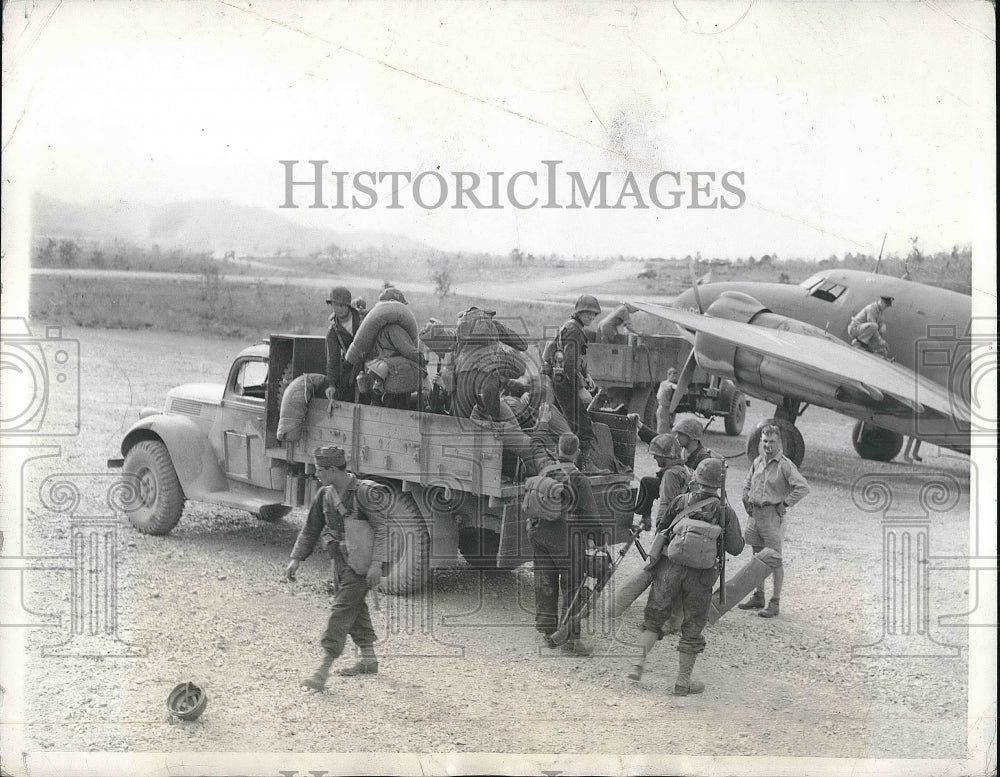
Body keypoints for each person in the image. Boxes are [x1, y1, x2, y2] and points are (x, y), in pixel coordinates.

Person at [627, 458, 744, 690]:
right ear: (720, 484)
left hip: (670, 568)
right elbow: (736, 548)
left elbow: (663, 527)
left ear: (696, 479)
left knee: (654, 618)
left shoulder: (681, 501)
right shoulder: (725, 512)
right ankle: (682, 681)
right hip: (701, 576)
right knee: (692, 626)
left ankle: (637, 666)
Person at [285, 446, 387, 689]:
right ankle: (369, 659)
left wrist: (376, 565)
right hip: (340, 560)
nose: (316, 473)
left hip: (362, 563)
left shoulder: (364, 493)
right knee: (354, 606)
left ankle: (322, 670)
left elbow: (383, 529)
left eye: (320, 469)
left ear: (332, 469)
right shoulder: (324, 495)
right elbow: (311, 529)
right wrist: (296, 559)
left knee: (341, 610)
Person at [528, 433, 598, 657]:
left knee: (545, 579)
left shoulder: (546, 470)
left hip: (539, 532)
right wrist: (598, 541)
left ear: (558, 449)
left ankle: (547, 628)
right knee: (573, 586)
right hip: (566, 538)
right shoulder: (578, 478)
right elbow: (591, 516)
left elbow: (536, 446)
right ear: (576, 452)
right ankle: (571, 640)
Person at [737, 424, 810, 618]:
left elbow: (802, 487)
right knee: (757, 556)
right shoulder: (758, 461)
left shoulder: (785, 465)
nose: (768, 445)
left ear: (779, 443)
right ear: (761, 442)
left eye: (771, 442)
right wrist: (746, 497)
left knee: (775, 559)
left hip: (772, 515)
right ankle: (758, 595)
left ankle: (775, 601)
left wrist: (785, 504)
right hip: (755, 514)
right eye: (764, 441)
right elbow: (747, 482)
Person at [545, 295, 601, 470]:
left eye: (594, 314)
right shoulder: (575, 330)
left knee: (571, 424)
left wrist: (586, 374)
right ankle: (586, 466)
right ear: (579, 312)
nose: (591, 317)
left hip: (561, 379)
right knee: (583, 426)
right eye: (587, 313)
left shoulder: (573, 326)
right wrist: (580, 389)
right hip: (565, 382)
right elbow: (569, 364)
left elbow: (575, 358)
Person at [452, 305, 529, 419]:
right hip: (488, 378)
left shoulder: (460, 329)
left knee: (461, 426)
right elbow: (522, 345)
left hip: (463, 378)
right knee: (490, 428)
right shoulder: (492, 324)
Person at [631, 432, 689, 532]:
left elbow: (667, 503)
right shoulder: (680, 468)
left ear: (666, 456)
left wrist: (661, 527)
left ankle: (647, 519)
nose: (654, 458)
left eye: (657, 455)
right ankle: (646, 517)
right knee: (647, 482)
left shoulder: (670, 475)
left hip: (671, 522)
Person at [324, 286, 362, 401]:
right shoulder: (333, 331)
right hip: (350, 367)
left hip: (368, 363)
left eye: (341, 305)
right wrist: (331, 385)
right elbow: (333, 359)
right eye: (335, 305)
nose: (338, 309)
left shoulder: (361, 319)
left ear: (348, 305)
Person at [847, 295, 894, 360]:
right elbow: (873, 326)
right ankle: (857, 343)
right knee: (874, 326)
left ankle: (869, 346)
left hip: (861, 330)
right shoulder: (872, 308)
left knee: (880, 328)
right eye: (886, 305)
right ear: (881, 302)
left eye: (887, 306)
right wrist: (881, 341)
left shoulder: (880, 311)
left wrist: (883, 326)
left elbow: (881, 322)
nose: (886, 308)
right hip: (854, 329)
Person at [656, 368, 679, 434]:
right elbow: (673, 386)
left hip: (664, 409)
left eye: (675, 376)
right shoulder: (665, 384)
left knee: (665, 429)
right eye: (672, 376)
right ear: (668, 375)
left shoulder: (663, 383)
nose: (674, 378)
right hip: (663, 409)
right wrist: (681, 388)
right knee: (662, 430)